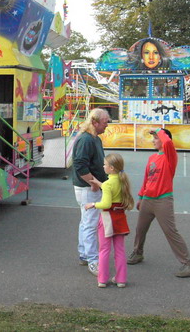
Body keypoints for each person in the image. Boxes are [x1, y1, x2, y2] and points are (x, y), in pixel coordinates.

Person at [127, 128, 190, 278]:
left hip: (163, 200)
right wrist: (141, 197)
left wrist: (159, 130)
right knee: (140, 229)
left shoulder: (170, 157)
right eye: (153, 138)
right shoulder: (152, 158)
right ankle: (138, 253)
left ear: (164, 140)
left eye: (156, 138)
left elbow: (168, 142)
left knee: (170, 232)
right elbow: (147, 179)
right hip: (148, 199)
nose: (153, 140)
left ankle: (188, 264)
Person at [85, 153, 134, 288]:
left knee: (104, 250)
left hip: (107, 219)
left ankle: (102, 279)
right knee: (120, 250)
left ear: (111, 168)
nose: (103, 166)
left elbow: (106, 203)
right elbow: (111, 189)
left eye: (105, 164)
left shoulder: (108, 184)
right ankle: (121, 279)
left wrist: (93, 204)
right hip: (120, 218)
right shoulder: (122, 181)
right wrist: (100, 184)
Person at [72, 108, 111, 276]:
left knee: (86, 221)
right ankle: (93, 260)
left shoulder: (94, 138)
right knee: (91, 223)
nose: (107, 125)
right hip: (87, 187)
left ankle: (84, 254)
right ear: (94, 122)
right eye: (105, 122)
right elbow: (80, 164)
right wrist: (93, 182)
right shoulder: (87, 139)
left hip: (89, 186)